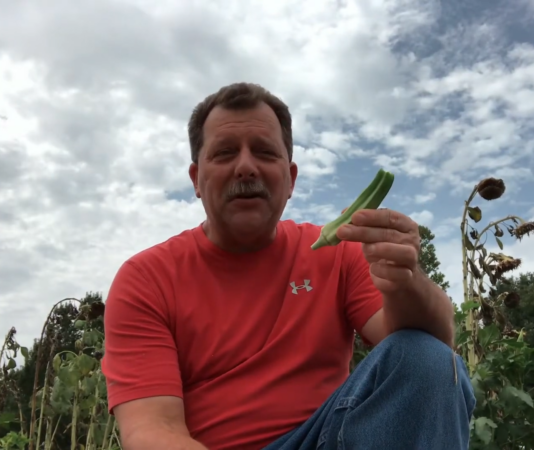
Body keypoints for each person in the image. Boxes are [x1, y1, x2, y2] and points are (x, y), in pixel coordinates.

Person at [101, 82, 475, 450]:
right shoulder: (147, 278)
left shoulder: (339, 251)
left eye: (264, 153)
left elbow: (434, 350)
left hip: (324, 438)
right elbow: (153, 432)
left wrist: (404, 279)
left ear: (291, 179)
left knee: (427, 357)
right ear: (196, 179)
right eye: (225, 153)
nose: (246, 167)